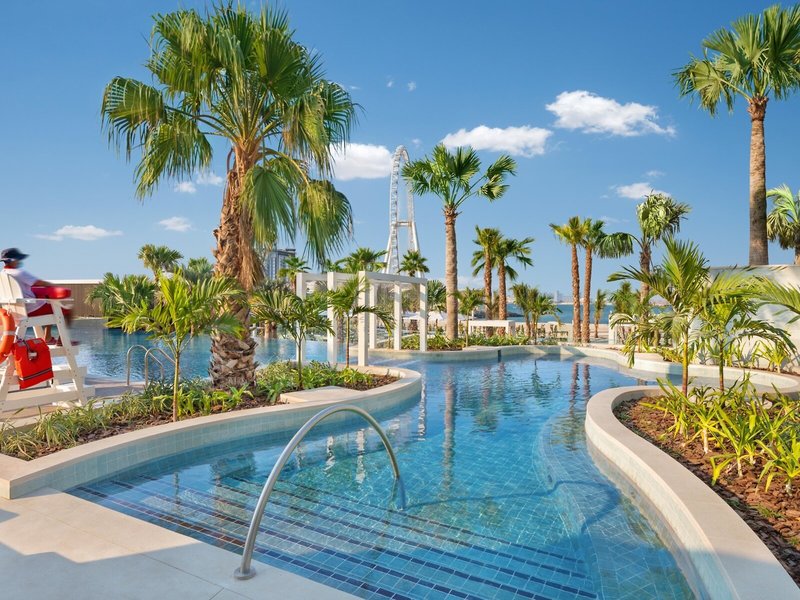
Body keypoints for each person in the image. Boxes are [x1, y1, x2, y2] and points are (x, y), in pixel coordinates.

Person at [1, 247, 73, 343]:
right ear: (13, 260)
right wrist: (55, 286)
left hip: (13, 311)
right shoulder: (19, 273)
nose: (19, 261)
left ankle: (48, 337)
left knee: (48, 303)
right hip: (30, 309)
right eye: (18, 259)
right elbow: (40, 282)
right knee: (67, 310)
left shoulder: (2, 275)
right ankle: (62, 340)